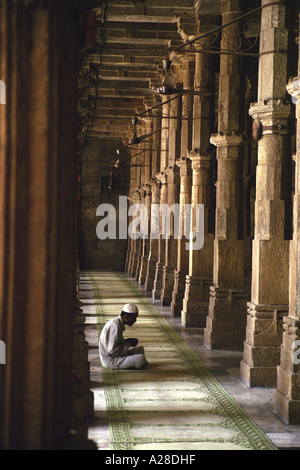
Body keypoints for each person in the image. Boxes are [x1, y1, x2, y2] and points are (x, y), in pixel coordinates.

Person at [99, 303, 148, 370]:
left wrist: (127, 341)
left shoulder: (117, 323)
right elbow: (112, 351)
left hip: (116, 355)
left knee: (140, 349)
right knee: (141, 359)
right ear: (126, 317)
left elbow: (116, 344)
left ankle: (130, 363)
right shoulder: (115, 326)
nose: (135, 321)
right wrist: (128, 344)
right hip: (111, 360)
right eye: (134, 318)